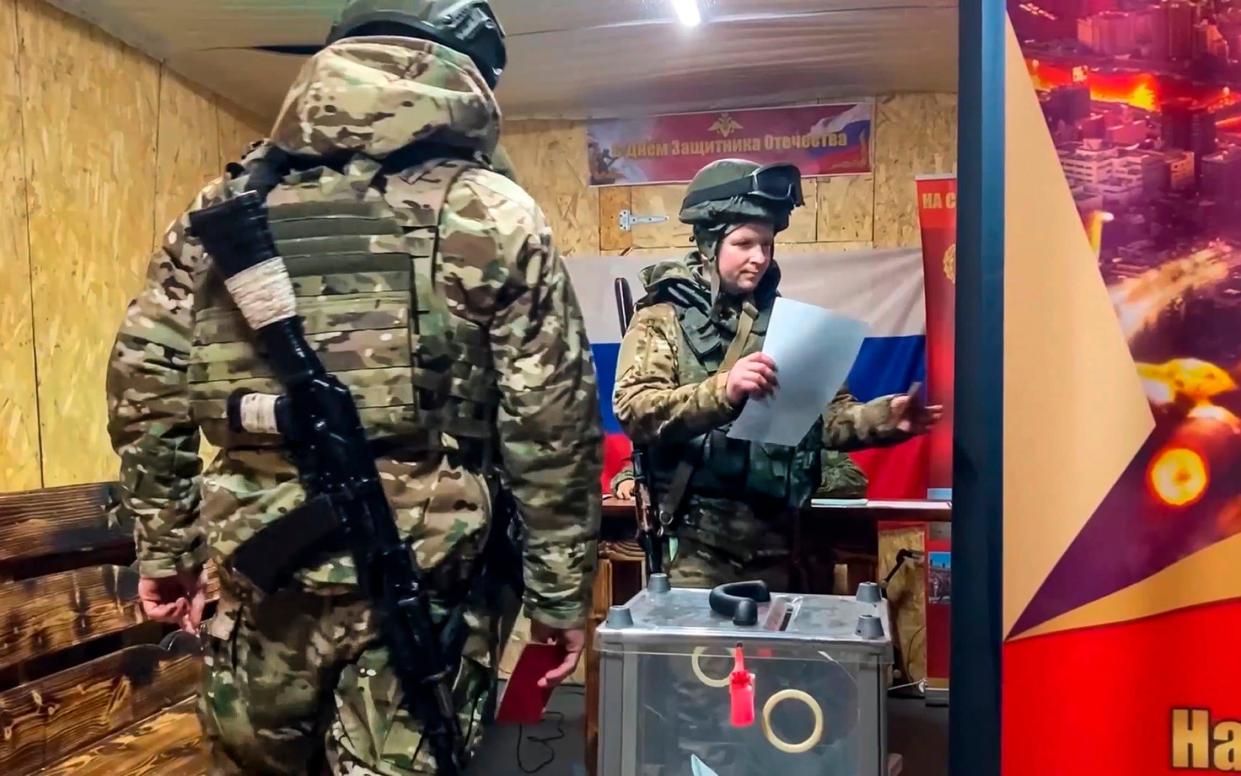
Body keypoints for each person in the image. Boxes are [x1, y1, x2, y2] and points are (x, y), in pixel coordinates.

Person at [105, 2, 603, 773]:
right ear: (470, 73)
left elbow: (144, 380)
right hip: (423, 578)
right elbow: (552, 425)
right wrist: (560, 596)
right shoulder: (493, 213)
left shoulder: (225, 205)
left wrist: (165, 549)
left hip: (258, 583)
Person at [612, 158, 940, 592]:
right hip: (696, 546)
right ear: (709, 244)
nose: (759, 258)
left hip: (790, 543)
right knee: (700, 661)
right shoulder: (661, 319)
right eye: (745, 243)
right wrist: (723, 390)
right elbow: (635, 409)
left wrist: (887, 418)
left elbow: (827, 419)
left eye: (766, 244)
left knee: (786, 659)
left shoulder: (789, 325)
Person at [609, 448, 867, 500]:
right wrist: (628, 479)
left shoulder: (796, 429)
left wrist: (797, 478)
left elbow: (854, 479)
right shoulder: (709, 429)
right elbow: (645, 467)